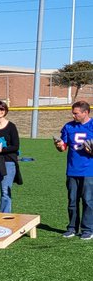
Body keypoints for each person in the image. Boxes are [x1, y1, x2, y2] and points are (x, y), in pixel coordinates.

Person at [54, 99, 93, 240]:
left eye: (76, 113)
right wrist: (59, 146)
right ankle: (72, 228)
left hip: (89, 171)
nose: (73, 116)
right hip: (72, 169)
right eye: (73, 113)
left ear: (85, 112)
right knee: (72, 201)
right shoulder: (69, 127)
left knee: (88, 201)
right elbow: (63, 147)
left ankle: (88, 229)